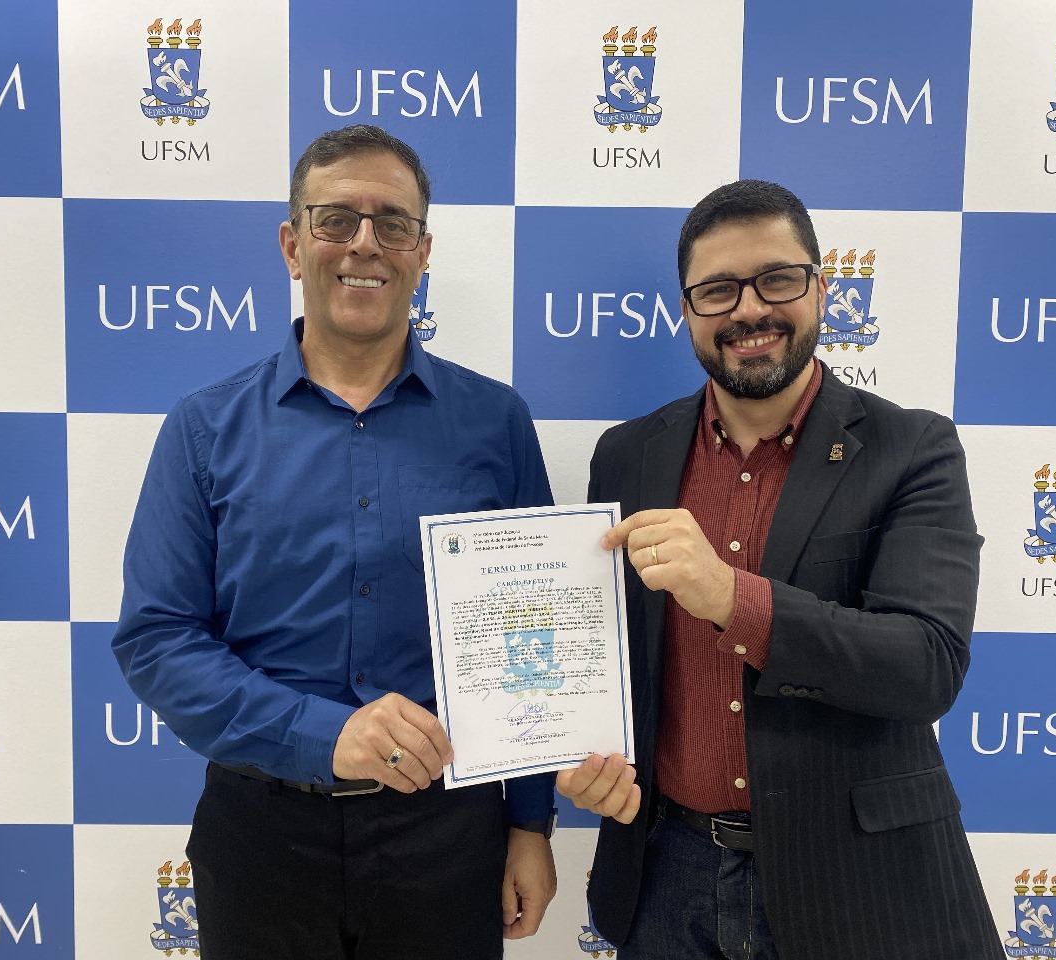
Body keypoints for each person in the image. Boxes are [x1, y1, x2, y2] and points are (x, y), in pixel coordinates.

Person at [112, 124, 558, 960]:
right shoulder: (204, 429)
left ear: (422, 253)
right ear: (292, 244)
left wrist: (531, 823)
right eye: (336, 219)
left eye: (393, 223)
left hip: (447, 836)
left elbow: (527, 639)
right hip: (262, 840)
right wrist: (324, 735)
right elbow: (158, 639)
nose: (365, 243)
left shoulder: (496, 423)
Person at [557, 180, 1001, 960]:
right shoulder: (627, 454)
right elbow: (608, 654)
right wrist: (581, 750)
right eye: (718, 291)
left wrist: (733, 598)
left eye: (777, 280)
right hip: (665, 877)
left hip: (859, 886)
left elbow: (926, 665)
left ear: (822, 289)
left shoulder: (913, 449)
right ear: (687, 310)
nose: (749, 310)